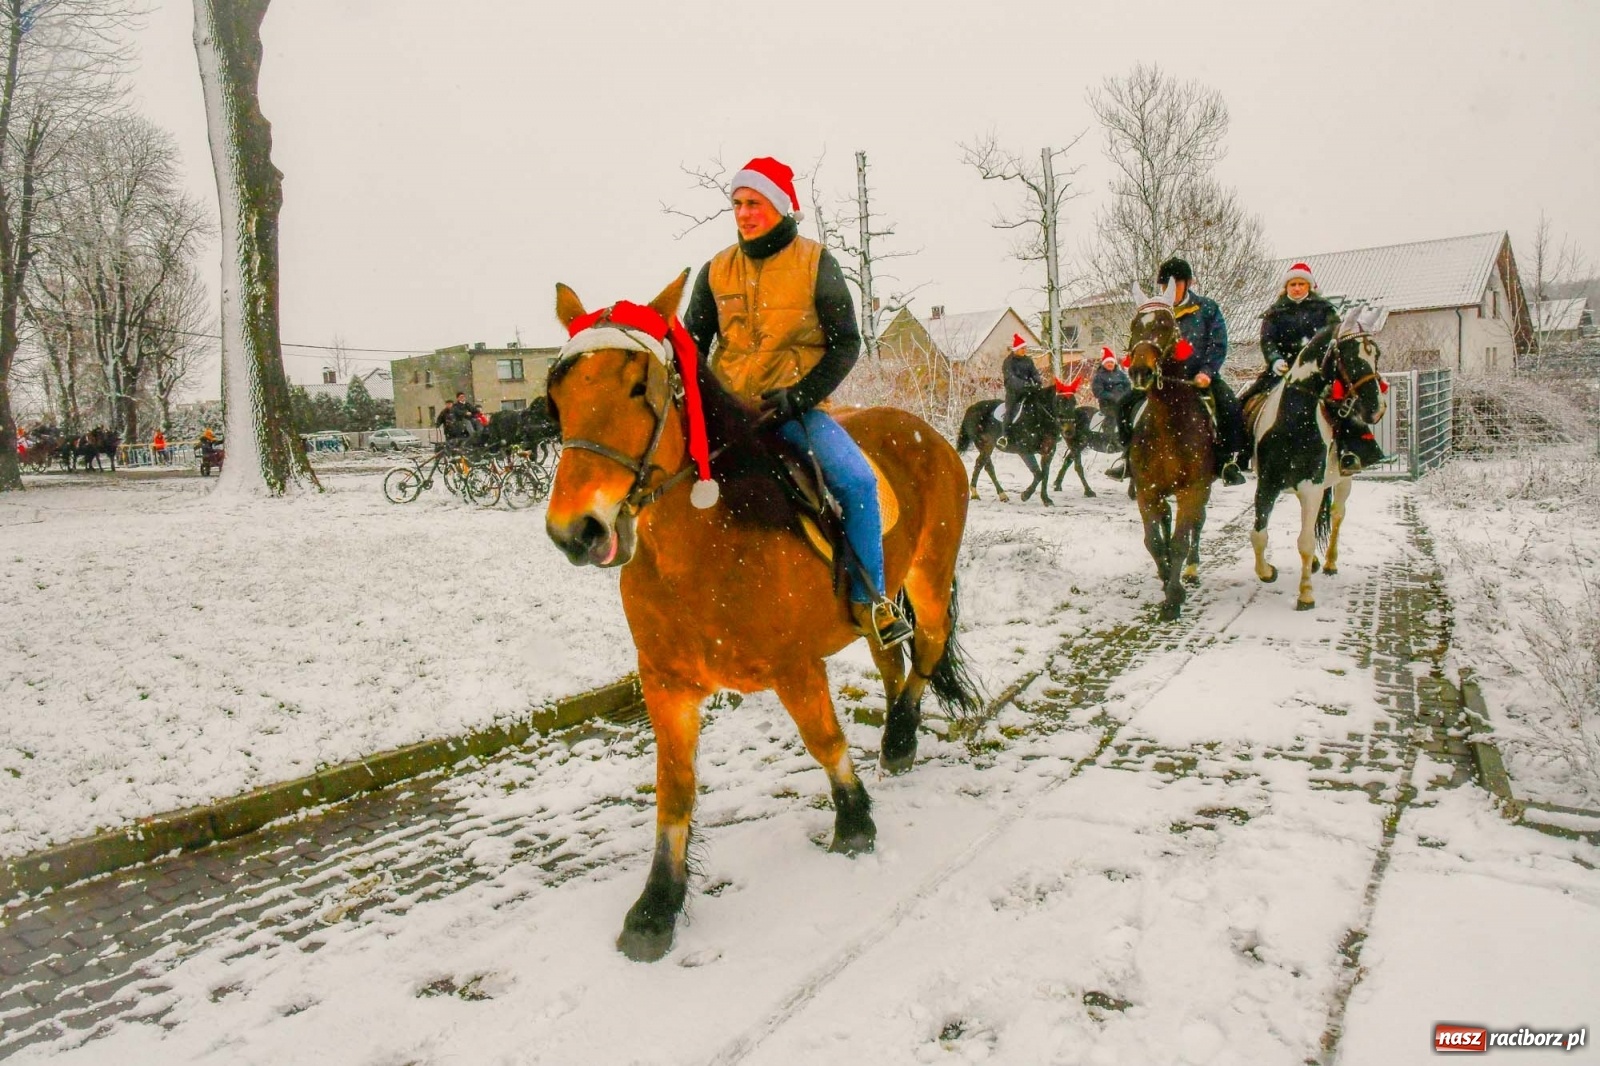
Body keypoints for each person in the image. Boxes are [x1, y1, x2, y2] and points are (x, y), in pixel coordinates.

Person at [684, 155, 913, 649]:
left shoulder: (815, 262)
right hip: (728, 417)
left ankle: (870, 600)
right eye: (737, 203)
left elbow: (846, 344)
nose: (744, 213)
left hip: (794, 412)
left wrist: (799, 397)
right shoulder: (714, 271)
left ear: (781, 207)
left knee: (856, 480)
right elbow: (691, 348)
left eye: (754, 203)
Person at [1245, 262, 1385, 474]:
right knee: (1247, 402)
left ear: (1309, 286)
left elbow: (1335, 336)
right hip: (1282, 370)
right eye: (1293, 284)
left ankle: (1351, 451)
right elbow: (1267, 341)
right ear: (1286, 287)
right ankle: (1242, 453)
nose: (1297, 288)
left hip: (1318, 372)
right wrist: (1274, 359)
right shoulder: (1274, 313)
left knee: (1342, 406)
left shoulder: (1325, 310)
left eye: (1301, 283)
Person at [1151, 257, 1248, 486]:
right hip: (1164, 379)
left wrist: (1206, 371)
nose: (1169, 290)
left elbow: (1218, 344)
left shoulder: (1207, 308)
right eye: (1165, 286)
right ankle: (1128, 460)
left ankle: (1227, 462)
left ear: (1189, 283)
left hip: (1199, 378)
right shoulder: (1156, 310)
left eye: (1175, 284)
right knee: (1129, 403)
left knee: (1229, 405)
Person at [1094, 347, 1136, 479]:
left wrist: (1125, 396)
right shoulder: (1099, 376)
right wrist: (1112, 396)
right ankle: (1110, 440)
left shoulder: (1121, 374)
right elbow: (1098, 391)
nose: (1110, 365)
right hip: (1108, 405)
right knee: (1113, 417)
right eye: (1108, 363)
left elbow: (1128, 386)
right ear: (1104, 364)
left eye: (1112, 363)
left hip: (1123, 402)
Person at [996, 334, 1043, 449]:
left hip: (1029, 391)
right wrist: (1024, 384)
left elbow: (1034, 373)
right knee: (1010, 411)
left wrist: (1037, 382)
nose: (1024, 350)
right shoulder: (1008, 362)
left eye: (1025, 348)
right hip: (1014, 393)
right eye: (1022, 348)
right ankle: (1005, 436)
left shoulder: (1028, 360)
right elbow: (1011, 379)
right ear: (1016, 349)